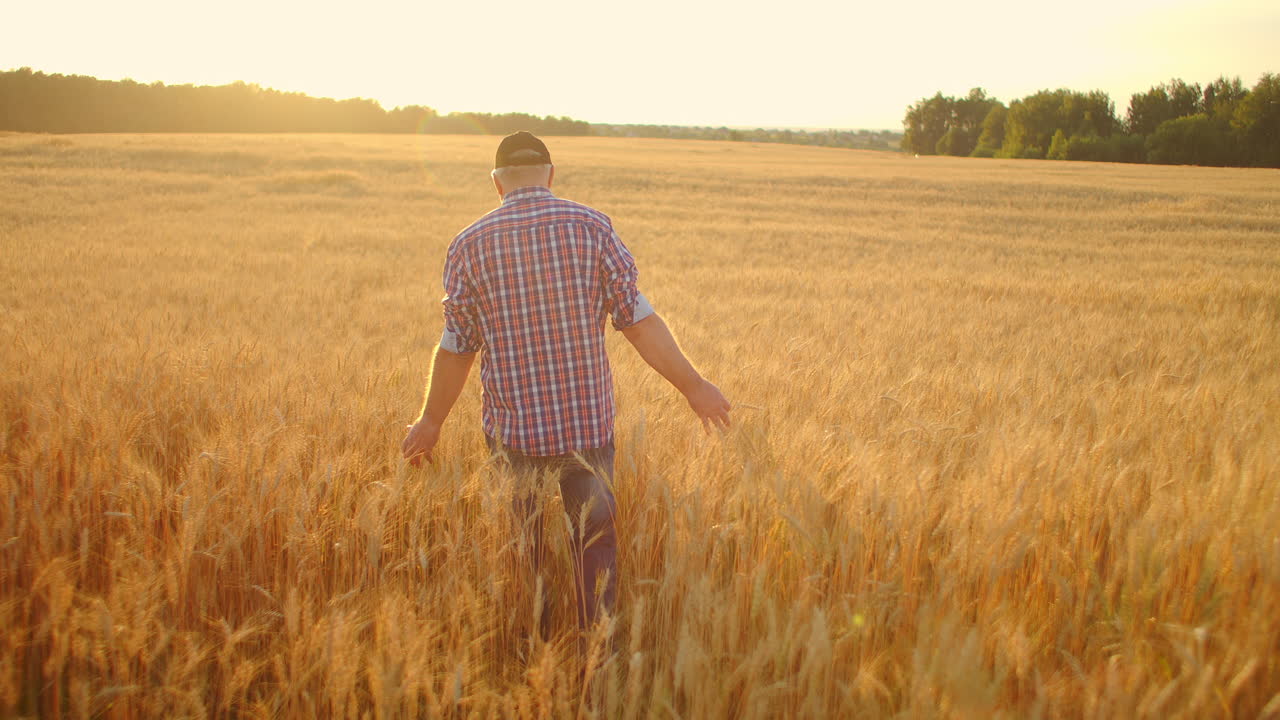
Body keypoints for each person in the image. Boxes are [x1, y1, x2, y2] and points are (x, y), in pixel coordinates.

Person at [401, 131, 731, 634]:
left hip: (514, 435)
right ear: (551, 175)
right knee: (595, 547)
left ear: (497, 184)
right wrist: (695, 386)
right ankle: (597, 660)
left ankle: (535, 648)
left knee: (524, 548)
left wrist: (430, 421)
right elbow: (638, 321)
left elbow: (457, 347)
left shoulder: (468, 245)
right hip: (586, 432)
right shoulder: (593, 227)